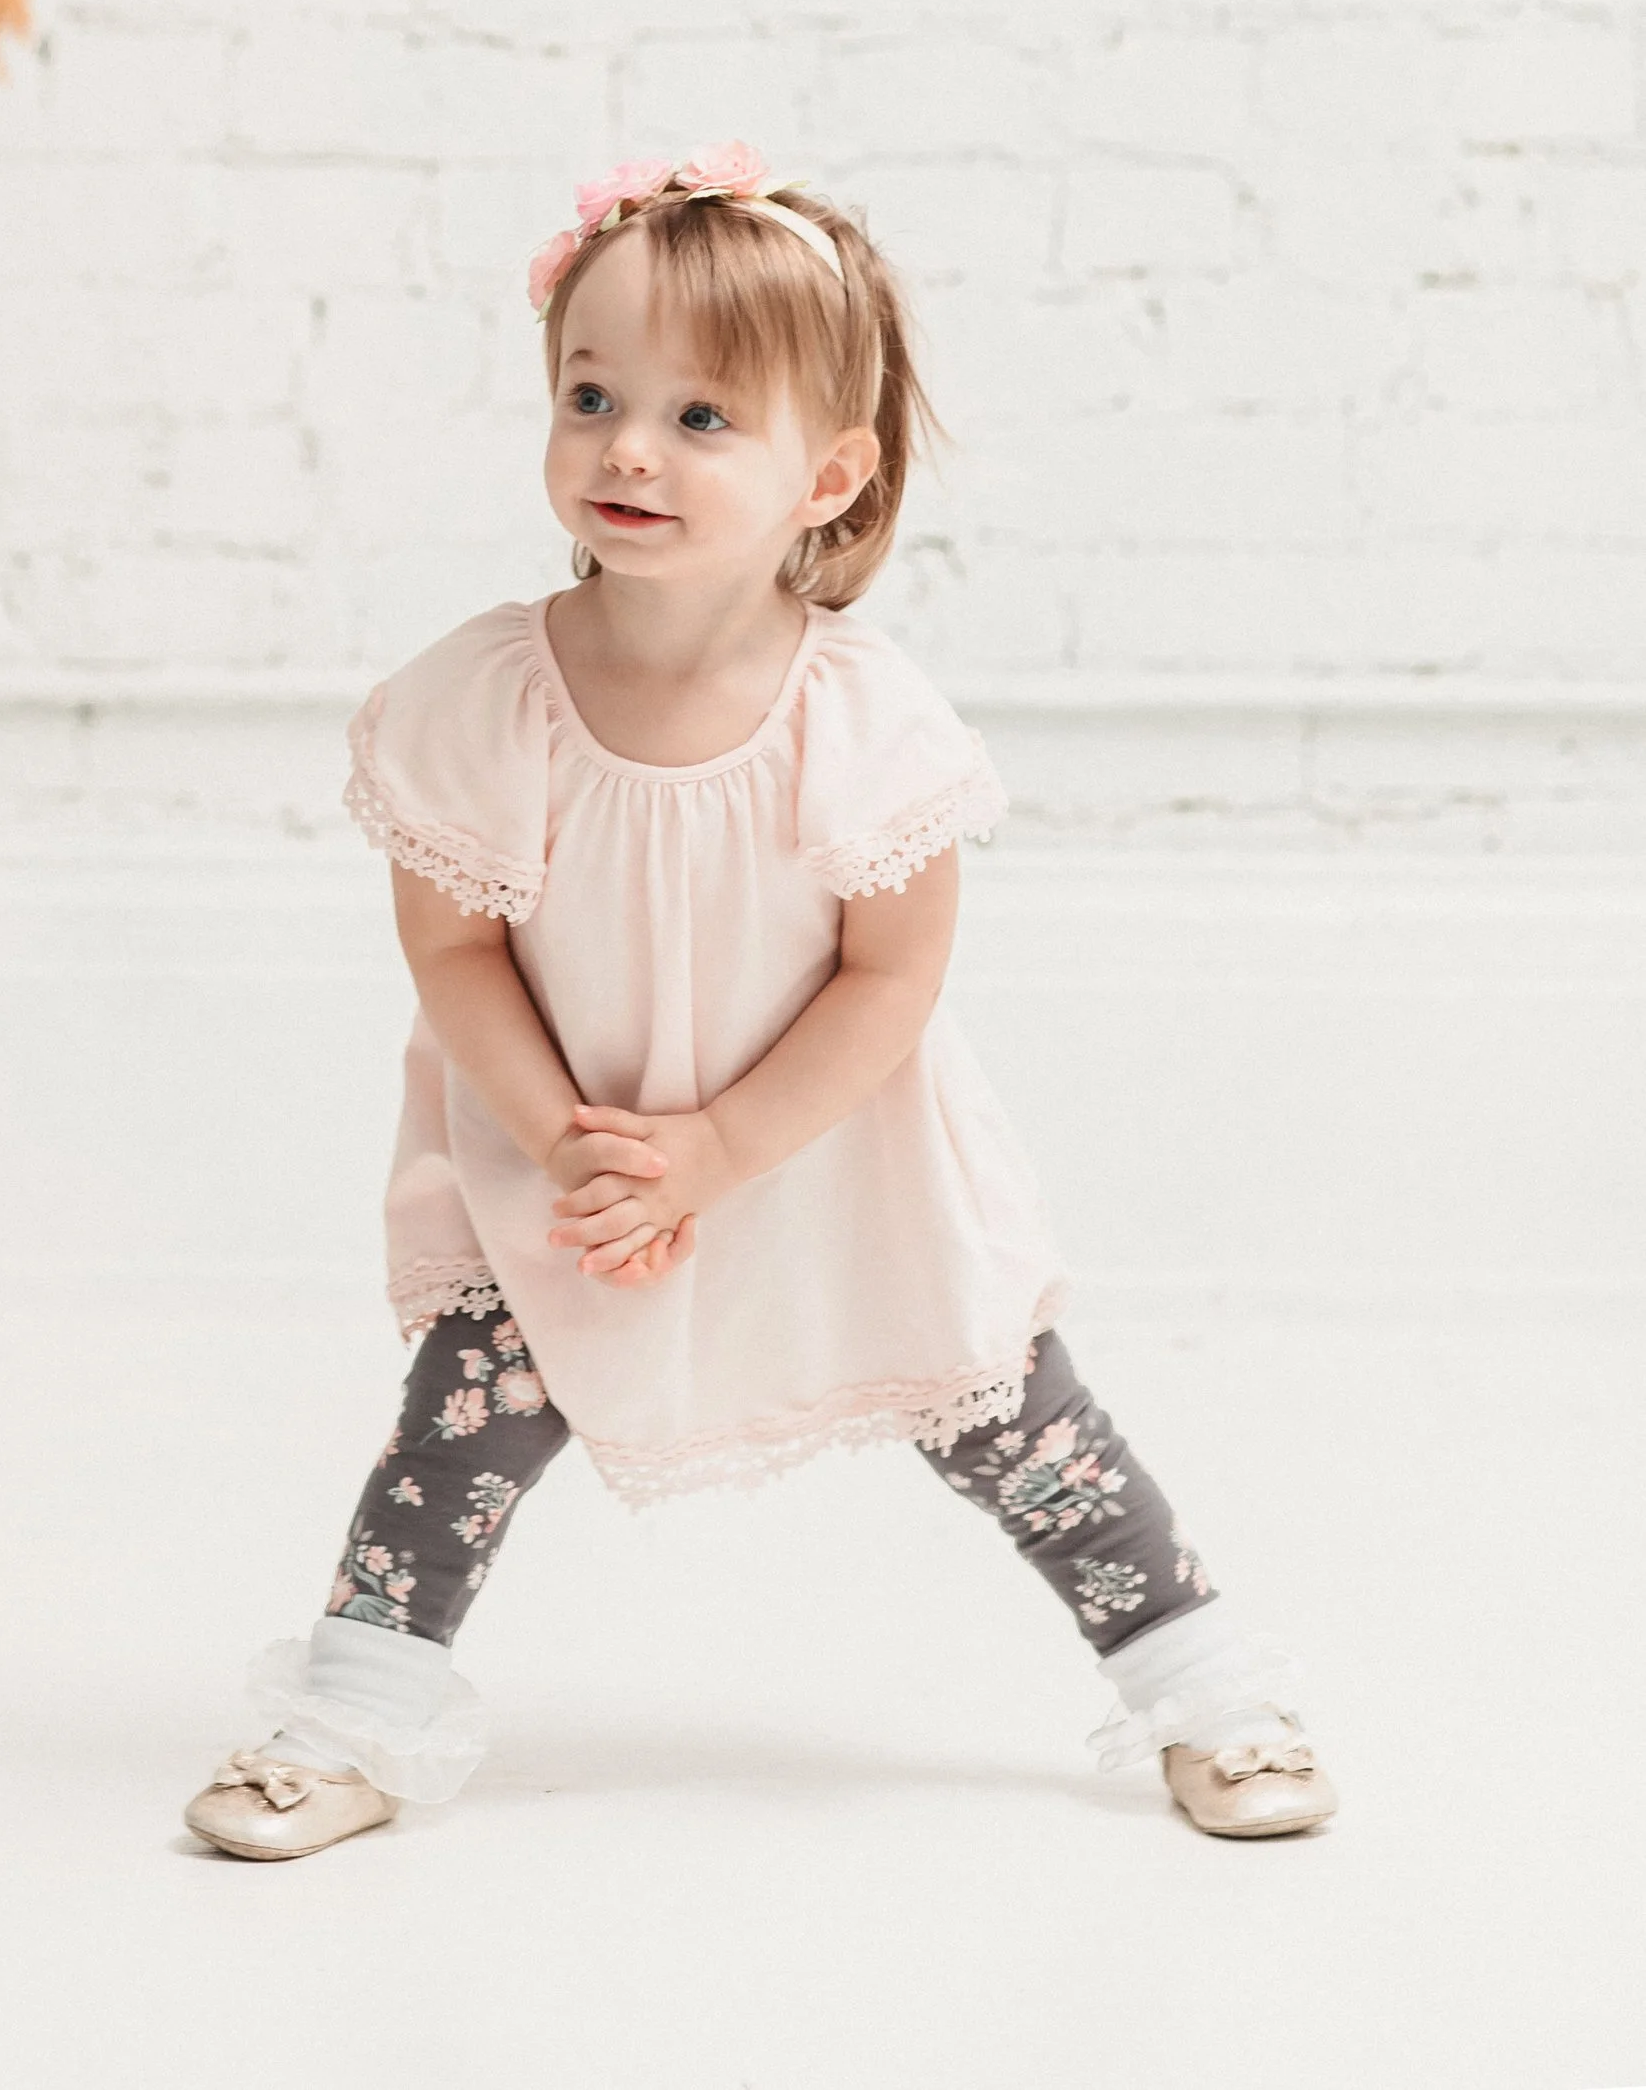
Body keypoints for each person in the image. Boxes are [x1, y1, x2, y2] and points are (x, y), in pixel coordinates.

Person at [184, 143, 1337, 1863]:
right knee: (462, 1426)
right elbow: (452, 952)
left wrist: (715, 1148)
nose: (627, 447)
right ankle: (350, 1712)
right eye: (592, 393)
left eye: (702, 417)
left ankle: (1205, 1682)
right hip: (564, 1151)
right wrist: (581, 1151)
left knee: (1026, 1426)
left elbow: (893, 978)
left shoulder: (857, 719)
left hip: (822, 1147)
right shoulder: (479, 698)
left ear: (832, 472)